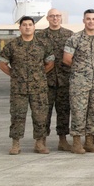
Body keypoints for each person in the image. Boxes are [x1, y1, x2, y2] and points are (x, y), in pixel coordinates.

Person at [0, 16, 54, 154]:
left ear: (34, 27)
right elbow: (2, 64)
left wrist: (39, 75)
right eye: (24, 25)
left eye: (30, 24)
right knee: (17, 116)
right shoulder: (12, 45)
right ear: (20, 28)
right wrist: (15, 75)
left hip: (39, 88)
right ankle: (16, 144)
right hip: (19, 89)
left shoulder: (43, 44)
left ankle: (40, 143)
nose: (27, 27)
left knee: (40, 116)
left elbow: (50, 63)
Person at [62, 9, 94, 154]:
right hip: (79, 82)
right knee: (79, 111)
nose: (91, 21)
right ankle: (76, 142)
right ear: (83, 20)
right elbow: (67, 59)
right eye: (88, 19)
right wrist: (81, 70)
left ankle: (89, 142)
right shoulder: (75, 38)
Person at [36, 8, 73, 151]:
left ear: (61, 18)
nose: (55, 18)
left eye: (57, 16)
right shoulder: (39, 36)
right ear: (47, 18)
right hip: (46, 81)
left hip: (64, 79)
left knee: (64, 111)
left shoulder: (69, 35)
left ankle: (63, 140)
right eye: (52, 16)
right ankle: (41, 140)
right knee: (44, 112)